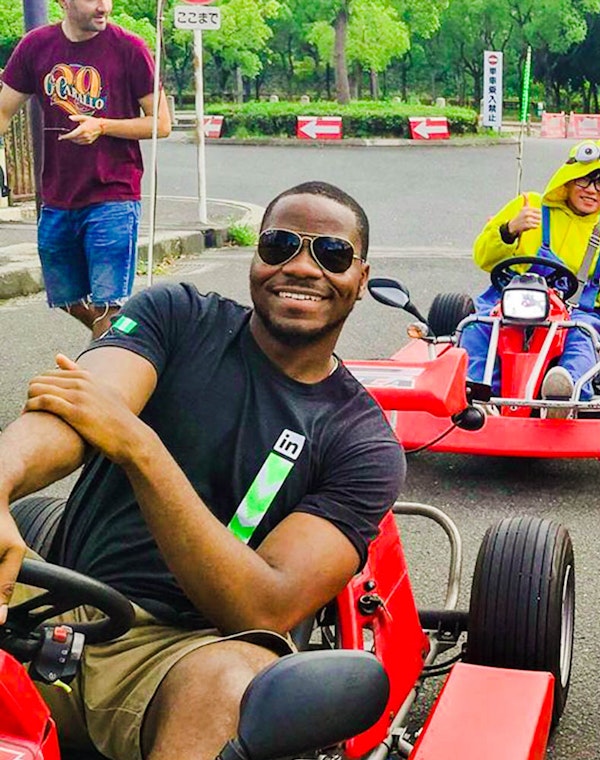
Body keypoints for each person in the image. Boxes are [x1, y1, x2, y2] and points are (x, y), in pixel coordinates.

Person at [0, 181, 405, 760]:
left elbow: (265, 607)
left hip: (182, 650)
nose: (301, 267)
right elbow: (75, 413)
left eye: (332, 255)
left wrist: (142, 451)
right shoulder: (178, 316)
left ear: (361, 279)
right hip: (53, 604)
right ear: (255, 259)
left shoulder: (361, 443)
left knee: (234, 680)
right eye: (280, 245)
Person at [0, 0, 172, 340]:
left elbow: (161, 123)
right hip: (57, 196)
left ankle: (101, 378)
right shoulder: (36, 46)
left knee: (109, 304)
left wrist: (102, 126)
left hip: (114, 193)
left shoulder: (129, 48)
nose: (103, 6)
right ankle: (135, 343)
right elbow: (4, 111)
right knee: (65, 297)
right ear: (63, 2)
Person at [467, 139, 600, 418]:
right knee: (477, 328)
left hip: (574, 313)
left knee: (583, 338)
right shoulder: (529, 206)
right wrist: (509, 230)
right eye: (584, 180)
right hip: (514, 302)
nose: (592, 190)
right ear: (568, 180)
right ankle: (478, 394)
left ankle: (565, 390)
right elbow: (482, 257)